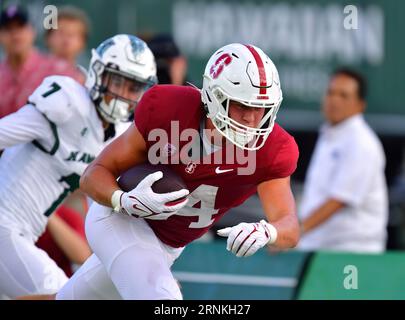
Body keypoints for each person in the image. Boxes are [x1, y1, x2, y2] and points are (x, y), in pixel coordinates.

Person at [55, 43, 300, 300]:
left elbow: (290, 227)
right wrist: (124, 199)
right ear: (215, 97)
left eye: (260, 107)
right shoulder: (169, 109)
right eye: (242, 106)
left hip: (169, 245)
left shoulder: (274, 150)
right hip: (121, 218)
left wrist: (267, 231)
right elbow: (94, 173)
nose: (252, 118)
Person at [0, 34, 157, 299]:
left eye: (133, 87)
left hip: (24, 232)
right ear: (98, 73)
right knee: (62, 294)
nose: (122, 94)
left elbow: (107, 212)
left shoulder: (120, 134)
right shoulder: (68, 103)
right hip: (5, 222)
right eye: (117, 81)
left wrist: (150, 269)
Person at [297, 68, 388, 253]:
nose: (334, 100)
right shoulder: (330, 135)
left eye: (344, 95)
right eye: (331, 93)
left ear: (360, 105)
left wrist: (294, 232)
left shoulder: (361, 142)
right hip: (321, 248)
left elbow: (338, 200)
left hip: (352, 253)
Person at [0, 4, 81, 119]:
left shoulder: (56, 69)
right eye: (8, 29)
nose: (15, 34)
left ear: (32, 31)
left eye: (20, 26)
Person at [45, 6, 90, 84]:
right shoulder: (33, 70)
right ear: (48, 37)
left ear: (83, 42)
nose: (66, 39)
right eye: (61, 32)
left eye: (72, 34)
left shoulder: (85, 80)